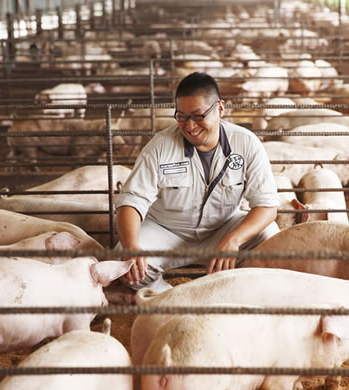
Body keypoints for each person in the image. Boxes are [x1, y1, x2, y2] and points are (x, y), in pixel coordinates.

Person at [113, 71, 280, 292]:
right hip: (167, 230)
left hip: (223, 228)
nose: (190, 126)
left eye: (198, 116)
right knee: (125, 264)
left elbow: (267, 206)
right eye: (181, 116)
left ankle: (236, 286)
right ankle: (167, 294)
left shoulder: (247, 143)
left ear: (220, 109)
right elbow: (131, 202)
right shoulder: (159, 146)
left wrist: (234, 240)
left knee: (270, 238)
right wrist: (131, 245)